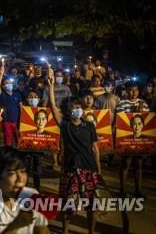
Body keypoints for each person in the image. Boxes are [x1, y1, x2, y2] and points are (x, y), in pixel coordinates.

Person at [48, 67, 101, 234]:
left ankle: (91, 231)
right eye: (74, 107)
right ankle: (65, 231)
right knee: (67, 205)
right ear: (68, 112)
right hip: (70, 169)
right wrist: (50, 86)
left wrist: (98, 170)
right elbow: (53, 107)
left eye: (79, 106)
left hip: (89, 169)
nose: (78, 109)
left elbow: (95, 148)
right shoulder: (65, 125)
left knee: (92, 205)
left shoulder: (90, 125)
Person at [0, 146, 50, 234]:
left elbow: (42, 230)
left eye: (23, 171)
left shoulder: (29, 196)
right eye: (12, 173)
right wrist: (17, 224)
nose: (20, 178)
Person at [116, 82, 149, 197]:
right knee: (126, 164)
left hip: (139, 140)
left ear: (138, 92)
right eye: (131, 90)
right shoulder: (121, 103)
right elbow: (120, 119)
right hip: (126, 139)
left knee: (139, 165)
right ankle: (122, 190)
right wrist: (133, 112)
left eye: (135, 90)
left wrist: (142, 112)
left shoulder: (143, 103)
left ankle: (138, 190)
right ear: (127, 91)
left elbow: (147, 120)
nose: (133, 92)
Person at [0, 63, 22, 147]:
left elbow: (21, 107)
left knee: (19, 139)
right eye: (6, 83)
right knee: (8, 141)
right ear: (3, 86)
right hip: (7, 122)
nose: (9, 84)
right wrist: (1, 75)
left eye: (10, 83)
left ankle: (18, 155)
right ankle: (8, 155)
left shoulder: (17, 94)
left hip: (17, 121)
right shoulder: (2, 95)